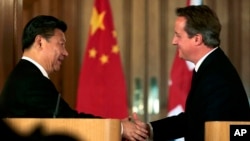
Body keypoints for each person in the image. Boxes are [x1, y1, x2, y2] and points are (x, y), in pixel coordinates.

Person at [0, 15, 148, 141]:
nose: (66, 53)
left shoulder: (27, 75)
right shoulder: (31, 81)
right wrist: (120, 128)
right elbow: (69, 120)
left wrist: (117, 125)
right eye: (62, 44)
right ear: (40, 42)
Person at [136, 5, 250, 141]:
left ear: (197, 39)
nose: (174, 41)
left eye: (178, 36)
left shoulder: (216, 77)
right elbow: (192, 120)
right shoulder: (211, 66)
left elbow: (213, 133)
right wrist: (148, 129)